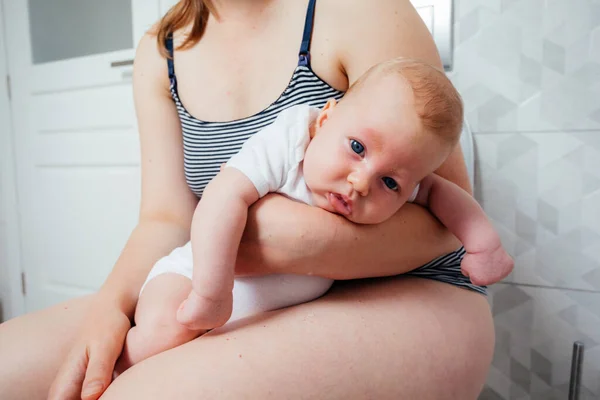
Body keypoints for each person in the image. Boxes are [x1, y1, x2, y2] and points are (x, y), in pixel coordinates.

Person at [0, 1, 497, 399]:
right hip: (239, 284)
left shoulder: (358, 9)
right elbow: (166, 217)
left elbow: (444, 220)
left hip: (407, 287)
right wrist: (110, 307)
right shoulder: (160, 51)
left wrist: (287, 239)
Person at [115, 58, 513, 373]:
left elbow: (444, 194)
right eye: (357, 147)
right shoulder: (291, 140)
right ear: (325, 120)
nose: (360, 182)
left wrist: (484, 244)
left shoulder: (402, 176)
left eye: (390, 183)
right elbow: (222, 197)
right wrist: (210, 291)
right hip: (189, 279)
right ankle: (120, 367)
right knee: (167, 333)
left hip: (263, 312)